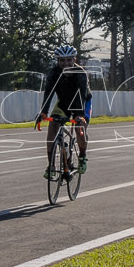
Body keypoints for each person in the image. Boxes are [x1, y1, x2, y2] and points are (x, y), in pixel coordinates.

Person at [35, 45, 92, 178]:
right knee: (52, 126)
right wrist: (44, 112)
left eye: (69, 60)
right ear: (58, 61)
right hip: (64, 103)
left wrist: (79, 116)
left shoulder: (81, 73)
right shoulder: (54, 73)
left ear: (74, 59)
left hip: (82, 102)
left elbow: (82, 95)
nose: (66, 63)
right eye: (62, 61)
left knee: (79, 128)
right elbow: (48, 93)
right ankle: (51, 166)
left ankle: (83, 157)